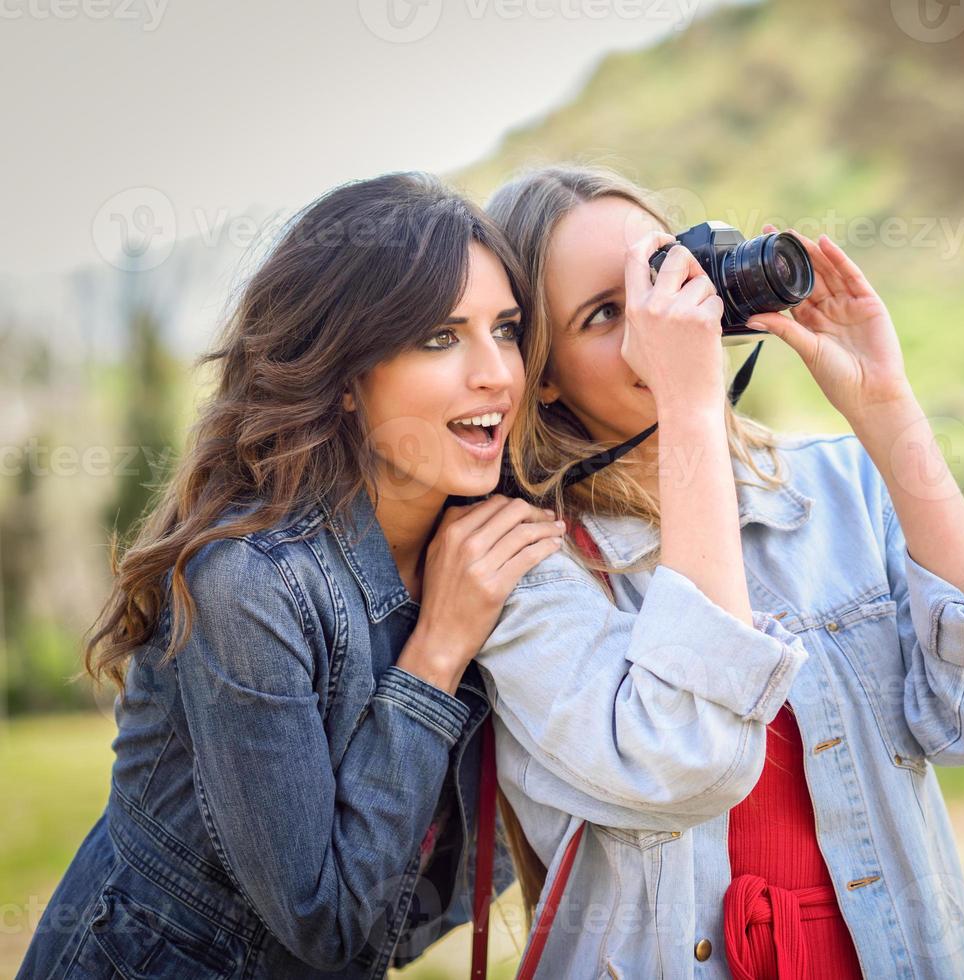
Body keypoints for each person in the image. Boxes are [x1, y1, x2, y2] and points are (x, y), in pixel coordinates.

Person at [476, 164, 964, 979]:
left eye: (659, 279)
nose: (661, 323)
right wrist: (687, 404)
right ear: (540, 375)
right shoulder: (526, 567)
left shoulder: (838, 484)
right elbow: (685, 757)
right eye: (608, 314)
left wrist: (886, 409)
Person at [19, 173, 562, 979]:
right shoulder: (249, 583)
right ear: (344, 377)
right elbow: (328, 921)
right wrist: (437, 652)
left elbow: (425, 898)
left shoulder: (489, 547)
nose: (497, 375)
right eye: (441, 338)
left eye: (507, 329)